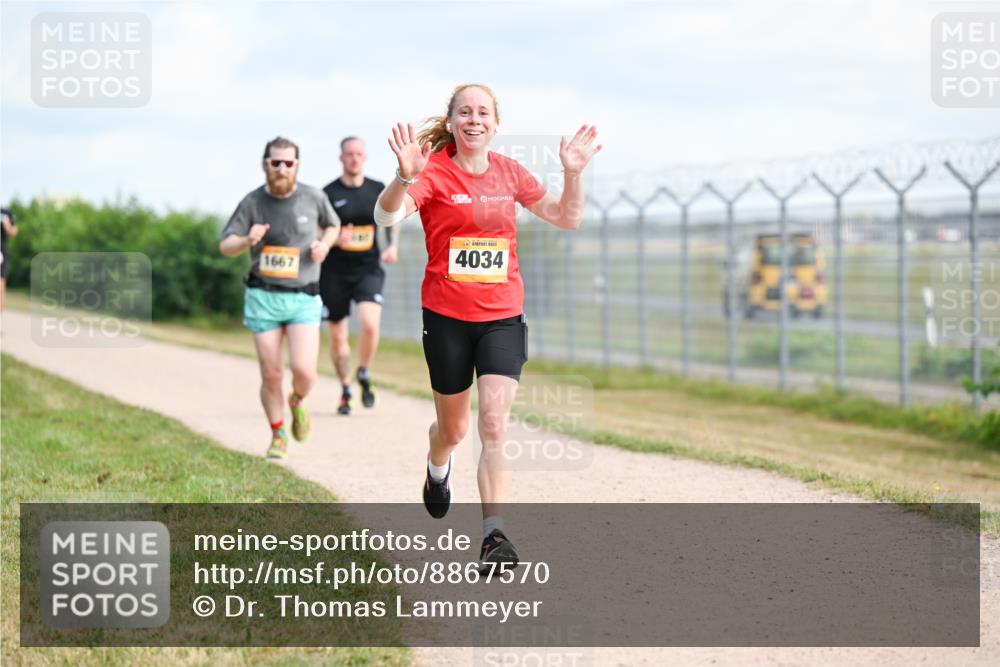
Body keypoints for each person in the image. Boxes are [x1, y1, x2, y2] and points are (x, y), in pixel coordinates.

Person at [374, 84, 601, 572]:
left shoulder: (510, 172)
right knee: (453, 430)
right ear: (451, 122)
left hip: (501, 316)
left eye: (483, 112)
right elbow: (386, 215)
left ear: (496, 124)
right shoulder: (433, 171)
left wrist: (572, 173)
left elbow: (567, 218)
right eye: (465, 112)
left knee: (494, 423)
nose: (474, 119)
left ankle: (493, 536)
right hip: (446, 319)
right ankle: (437, 467)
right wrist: (403, 176)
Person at [220, 137, 340, 458]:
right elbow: (226, 245)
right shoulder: (252, 202)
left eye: (288, 163)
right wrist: (247, 240)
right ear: (265, 164)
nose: (282, 168)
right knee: (271, 373)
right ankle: (278, 434)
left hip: (303, 297)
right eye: (276, 162)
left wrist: (325, 245)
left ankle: (297, 400)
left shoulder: (314, 197)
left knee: (305, 371)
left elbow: (333, 225)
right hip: (264, 297)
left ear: (297, 166)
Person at [321, 137, 399, 415]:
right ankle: (345, 389)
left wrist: (392, 246)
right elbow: (318, 232)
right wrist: (334, 239)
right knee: (337, 336)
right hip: (334, 271)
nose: (354, 158)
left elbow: (391, 218)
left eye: (359, 154)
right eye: (349, 154)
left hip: (367, 267)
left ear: (365, 157)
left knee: (369, 323)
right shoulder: (328, 193)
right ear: (341, 158)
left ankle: (364, 371)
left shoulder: (377, 189)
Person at [1, 206, 18, 311]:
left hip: (1, 253)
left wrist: (7, 227)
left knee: (0, 286)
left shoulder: (5, 212)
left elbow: (14, 232)